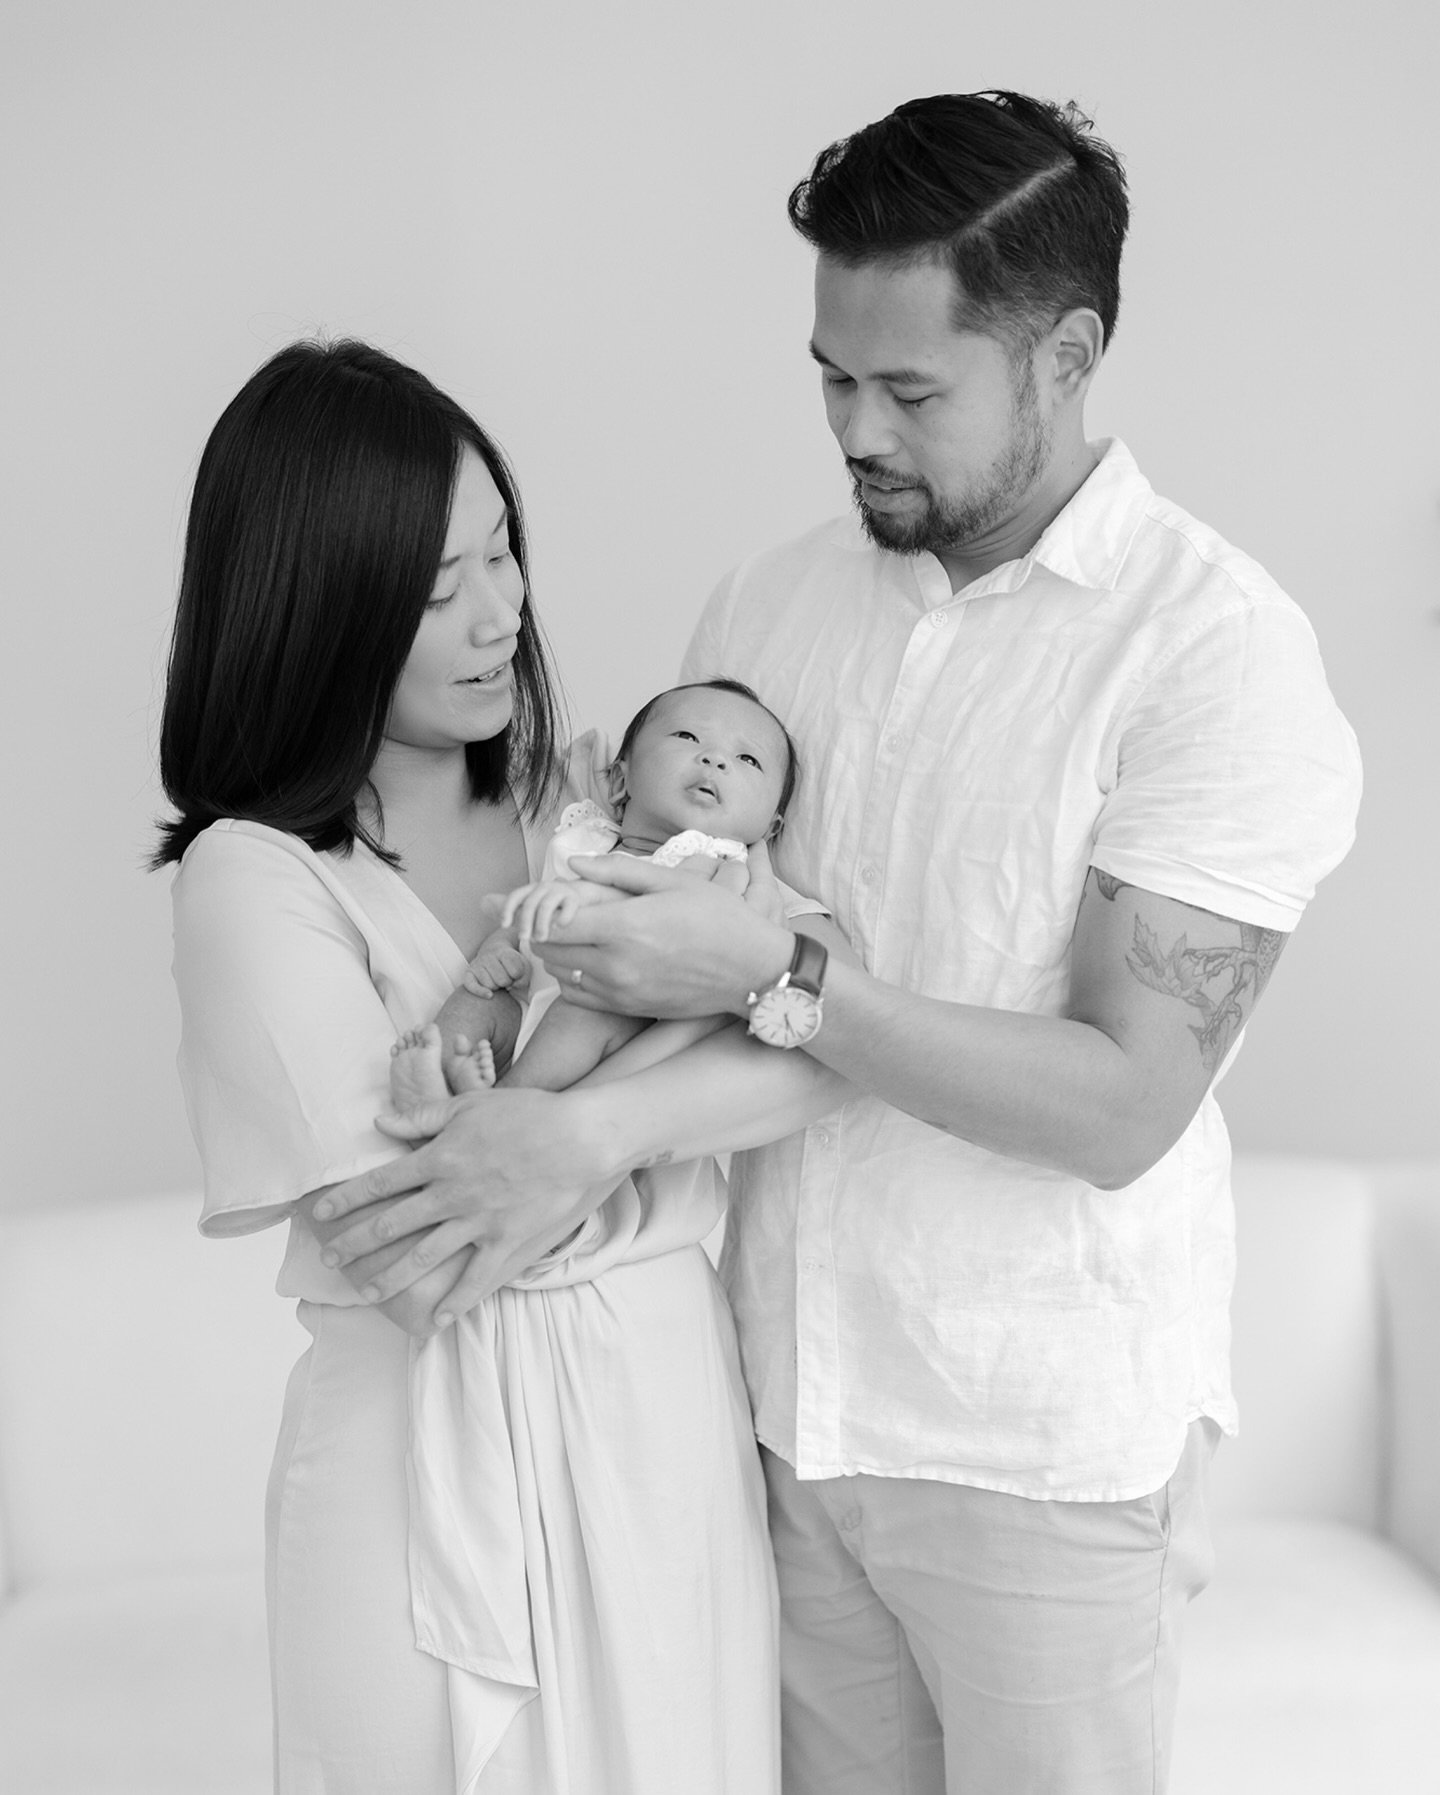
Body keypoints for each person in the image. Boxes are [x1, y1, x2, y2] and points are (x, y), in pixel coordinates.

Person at [313, 93, 1363, 1794]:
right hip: (770, 1419)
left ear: (1068, 352)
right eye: (830, 377)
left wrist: (782, 983)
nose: (855, 430)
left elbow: (1118, 1106)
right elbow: (637, 926)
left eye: (911, 391)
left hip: (1041, 1450)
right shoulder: (772, 607)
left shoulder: (1213, 659)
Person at [154, 338, 805, 1794]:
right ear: (316, 614)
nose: (497, 616)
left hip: (663, 1424)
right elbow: (417, 1252)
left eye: (502, 553)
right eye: (434, 591)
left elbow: (819, 1048)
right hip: (418, 1463)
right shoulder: (253, 881)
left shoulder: (586, 816)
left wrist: (573, 1137)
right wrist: (681, 1081)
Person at [389, 677, 815, 1107]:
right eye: (688, 736)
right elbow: (534, 906)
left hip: (615, 1015)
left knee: (584, 1016)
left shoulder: (723, 870)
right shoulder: (583, 837)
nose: (715, 759)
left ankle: (506, 1103)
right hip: (530, 1000)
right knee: (477, 998)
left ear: (770, 828)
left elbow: (674, 931)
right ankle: (434, 1081)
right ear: (619, 780)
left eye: (748, 759)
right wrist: (499, 950)